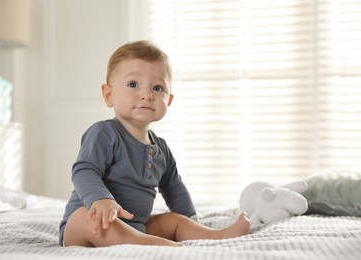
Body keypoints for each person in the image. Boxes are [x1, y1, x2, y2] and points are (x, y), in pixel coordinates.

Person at [59, 40, 251, 247]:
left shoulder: (161, 149)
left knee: (173, 220)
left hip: (136, 225)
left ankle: (212, 236)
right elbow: (84, 170)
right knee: (84, 218)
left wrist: (189, 220)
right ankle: (150, 243)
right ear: (108, 95)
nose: (147, 95)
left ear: (168, 100)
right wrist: (100, 200)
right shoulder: (104, 133)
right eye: (133, 84)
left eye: (157, 88)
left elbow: (173, 186)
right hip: (92, 224)